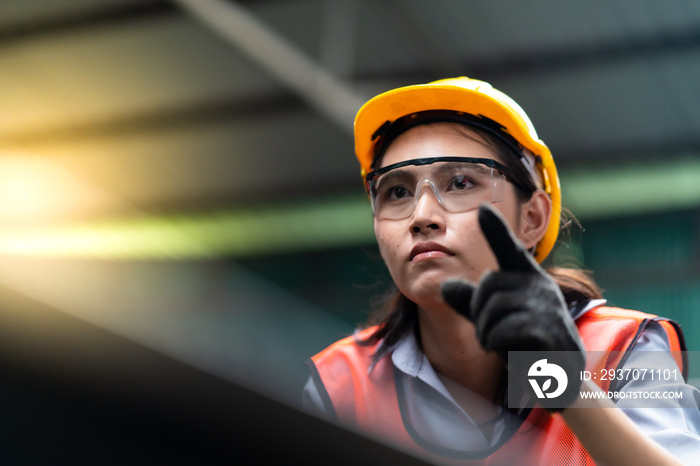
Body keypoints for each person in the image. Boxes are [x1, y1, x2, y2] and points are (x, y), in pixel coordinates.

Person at [302, 77, 700, 465]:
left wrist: (564, 382)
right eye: (397, 192)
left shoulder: (621, 349)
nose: (421, 216)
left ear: (532, 218)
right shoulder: (339, 386)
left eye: (460, 182)